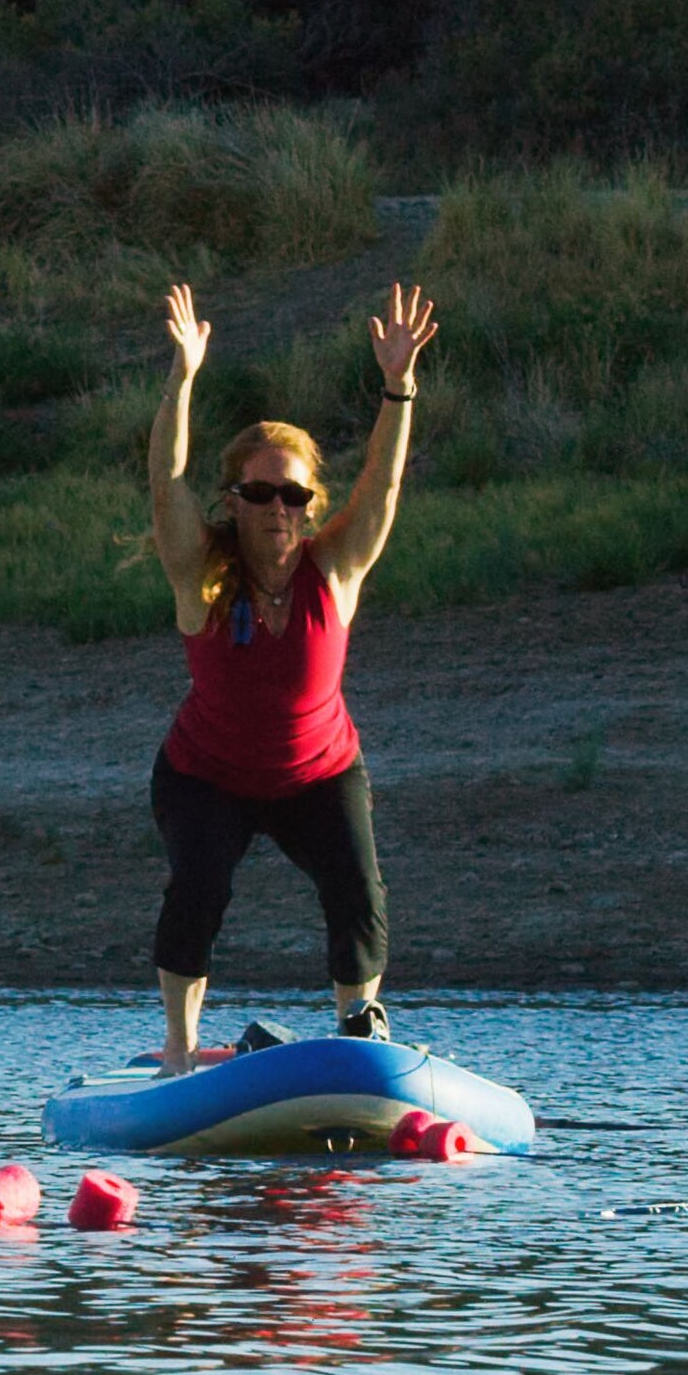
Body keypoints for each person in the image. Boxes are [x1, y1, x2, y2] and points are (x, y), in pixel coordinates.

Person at [138, 278, 440, 1066]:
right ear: (234, 499)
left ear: (310, 502)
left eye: (294, 493)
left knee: (358, 890)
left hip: (318, 771)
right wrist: (183, 378)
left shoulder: (334, 568)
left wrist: (399, 387)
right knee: (199, 886)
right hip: (205, 774)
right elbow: (165, 483)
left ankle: (360, 1036)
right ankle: (178, 1049)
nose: (279, 507)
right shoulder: (199, 571)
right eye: (262, 491)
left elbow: (384, 483)